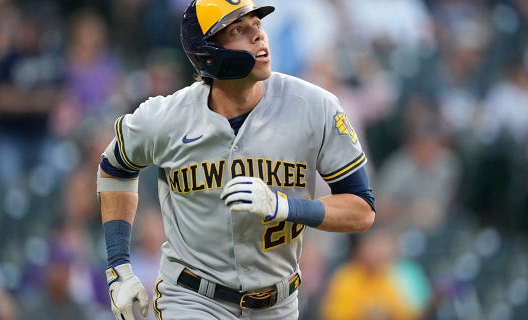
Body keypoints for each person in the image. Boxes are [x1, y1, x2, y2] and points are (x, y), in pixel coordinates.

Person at [96, 1, 376, 319]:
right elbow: (114, 168)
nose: (259, 37)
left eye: (258, 25)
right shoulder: (165, 118)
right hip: (193, 298)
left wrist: (284, 207)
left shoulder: (315, 106)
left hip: (278, 304)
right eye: (239, 30)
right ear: (208, 52)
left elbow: (361, 209)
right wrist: (119, 266)